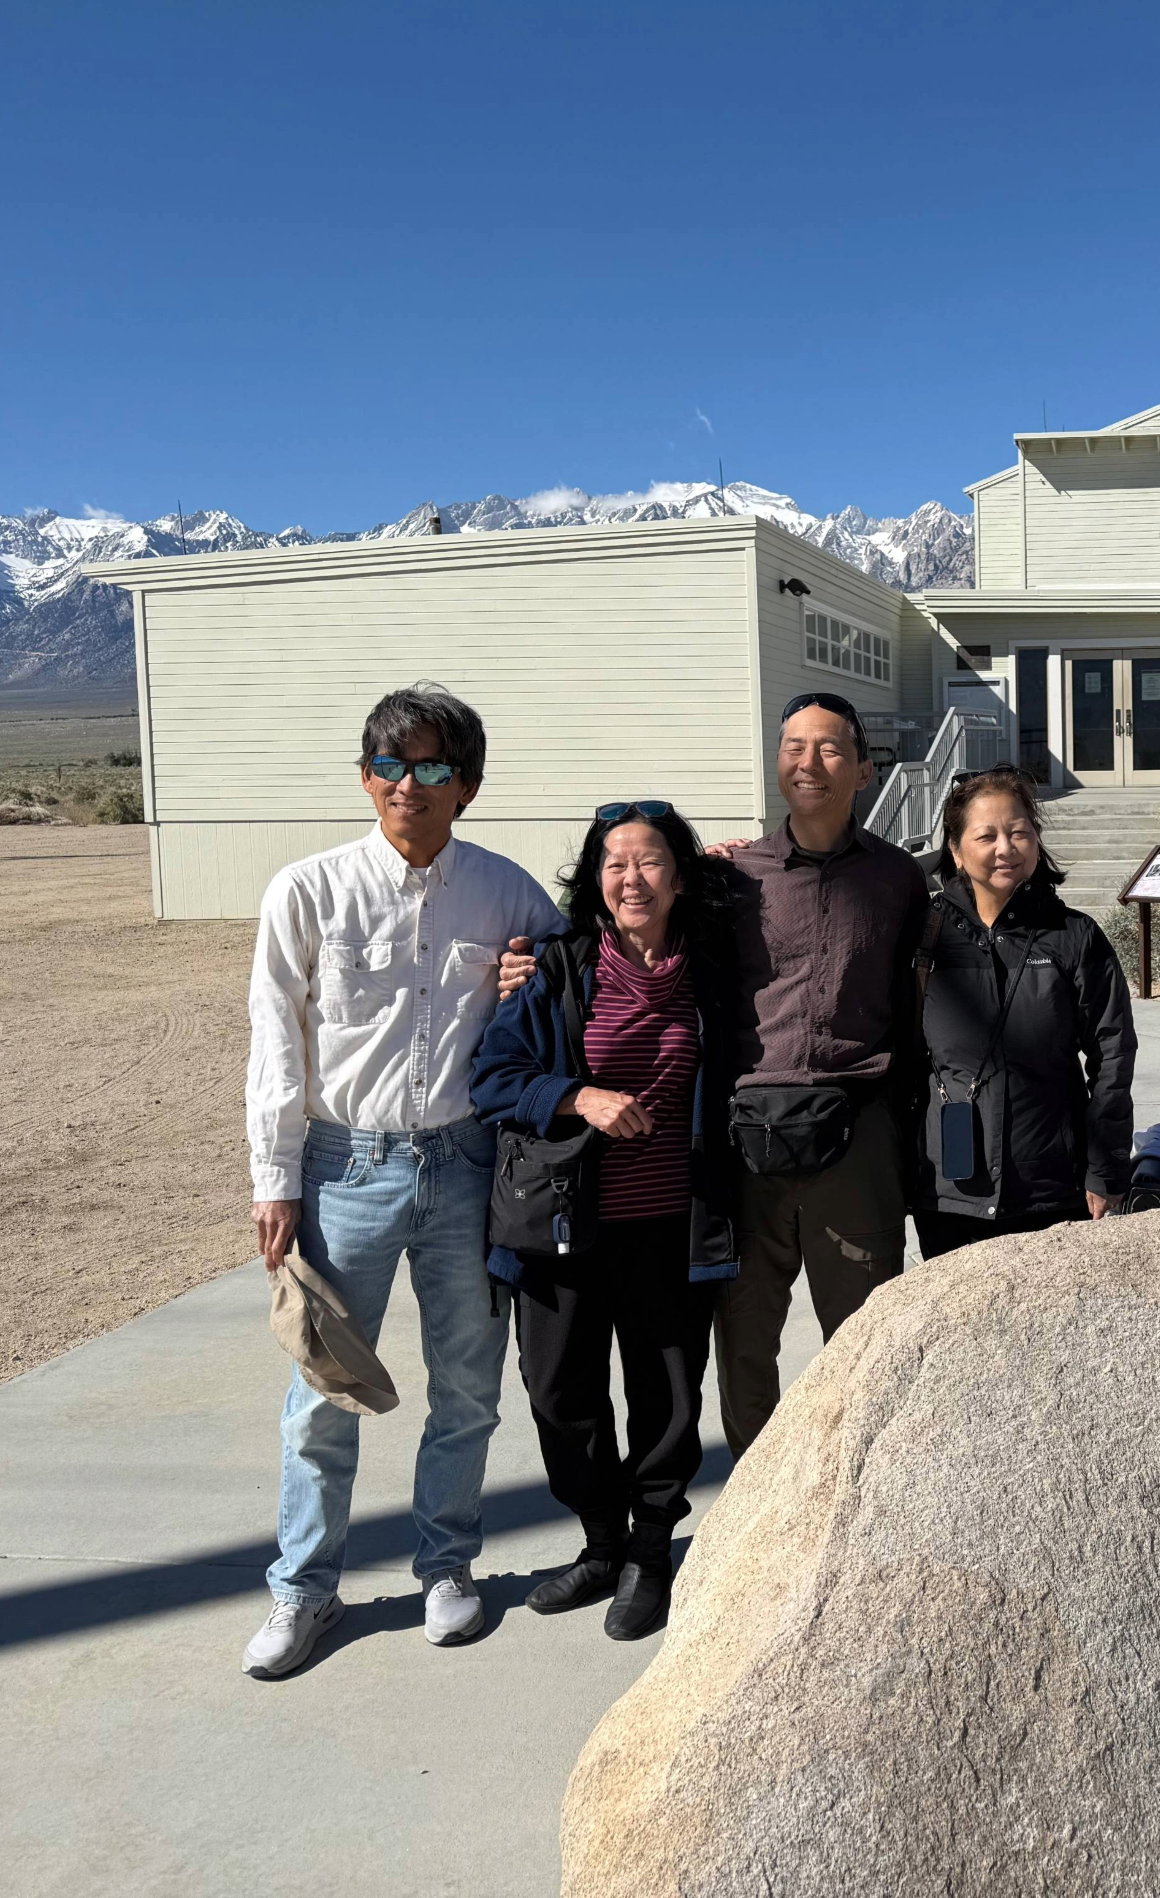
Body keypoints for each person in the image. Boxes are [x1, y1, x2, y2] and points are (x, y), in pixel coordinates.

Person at [241, 685, 565, 1681]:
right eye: (390, 765)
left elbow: (574, 986)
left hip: (466, 1164)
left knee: (466, 1385)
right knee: (322, 1392)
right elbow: (275, 1038)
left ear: (466, 786)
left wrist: (538, 979)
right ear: (365, 776)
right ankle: (305, 1591)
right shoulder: (307, 890)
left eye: (431, 769)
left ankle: (447, 1567)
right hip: (345, 1168)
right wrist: (275, 1177)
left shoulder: (508, 893)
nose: (407, 786)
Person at [469, 801, 742, 1641]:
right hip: (564, 1225)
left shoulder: (716, 966)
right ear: (594, 877)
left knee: (665, 1397)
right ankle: (600, 1540)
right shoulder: (556, 966)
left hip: (672, 1223)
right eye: (615, 862)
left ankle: (651, 1551)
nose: (633, 877)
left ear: (681, 875)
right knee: (560, 1395)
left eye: (651, 860)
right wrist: (576, 1095)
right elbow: (493, 1078)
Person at [718, 693, 930, 1457]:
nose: (809, 763)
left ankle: (855, 1496)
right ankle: (756, 1508)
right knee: (745, 1338)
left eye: (830, 748)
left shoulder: (898, 879)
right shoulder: (732, 876)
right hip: (748, 1137)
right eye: (793, 747)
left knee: (865, 1334)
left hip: (858, 1131)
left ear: (866, 770)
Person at [913, 766, 1138, 1254]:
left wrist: (1107, 1166)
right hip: (949, 1193)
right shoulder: (921, 935)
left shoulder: (1074, 936)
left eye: (1019, 832)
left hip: (1052, 1187)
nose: (1005, 848)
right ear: (955, 848)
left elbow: (1113, 1055)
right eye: (986, 835)